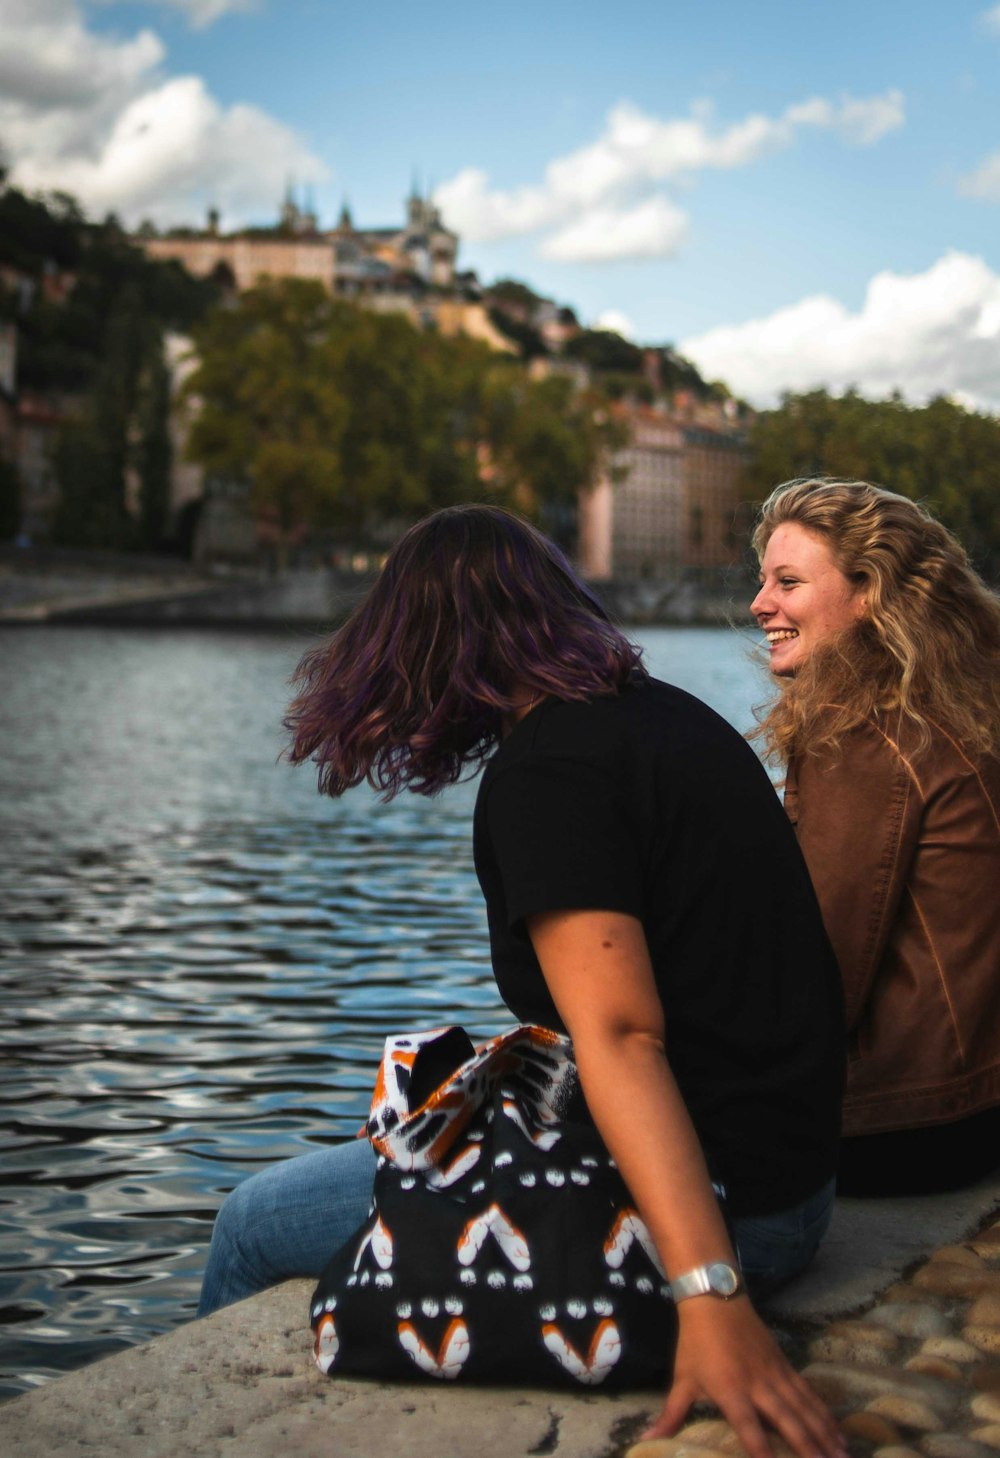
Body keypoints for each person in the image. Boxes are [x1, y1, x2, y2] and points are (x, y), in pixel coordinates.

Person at [200, 505, 846, 1458]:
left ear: (427, 643)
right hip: (795, 1174)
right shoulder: (665, 717)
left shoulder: (552, 774)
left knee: (252, 1223)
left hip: (734, 1212)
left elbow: (625, 1035)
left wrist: (710, 1298)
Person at [751, 478, 1000, 1197]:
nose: (759, 603)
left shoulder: (863, 736)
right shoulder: (956, 708)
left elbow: (817, 980)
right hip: (971, 1106)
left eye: (787, 582)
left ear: (869, 592)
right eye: (763, 579)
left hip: (898, 1124)